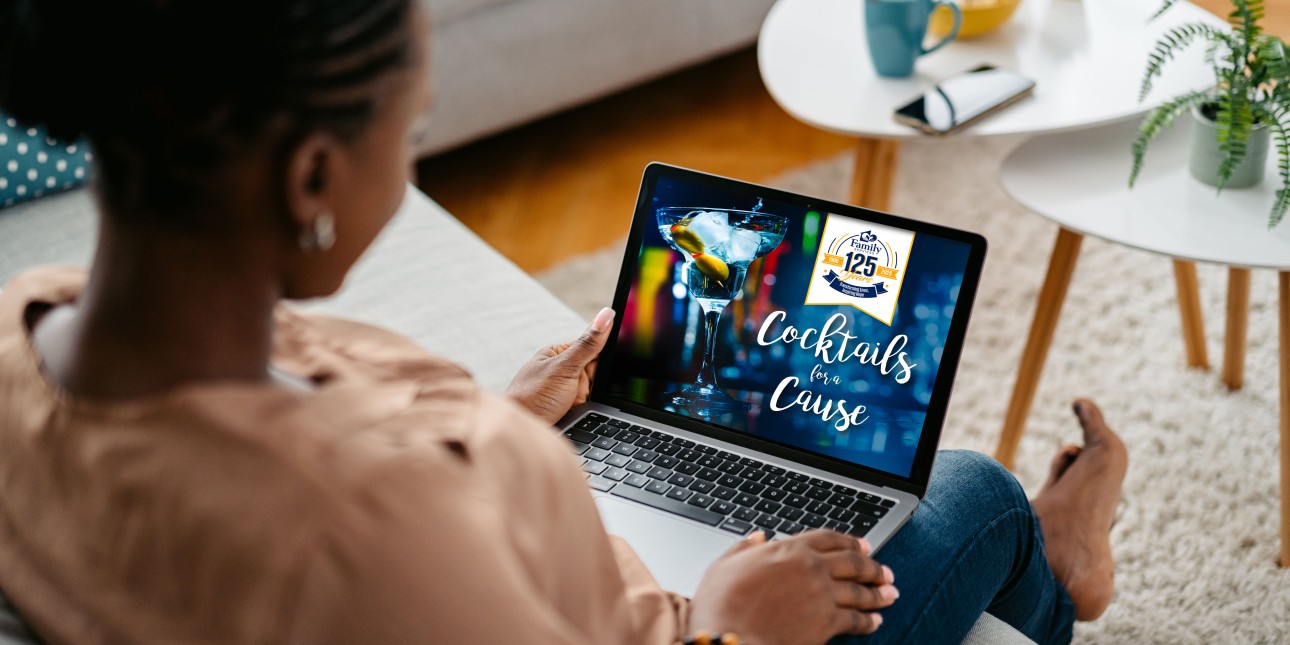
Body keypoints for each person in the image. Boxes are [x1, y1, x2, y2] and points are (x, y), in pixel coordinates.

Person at [0, 1, 1128, 643]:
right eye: (416, 129)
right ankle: (1059, 574)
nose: (411, 160)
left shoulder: (26, 325)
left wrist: (499, 420)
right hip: (686, 620)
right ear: (310, 178)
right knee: (978, 496)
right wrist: (733, 628)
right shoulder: (363, 533)